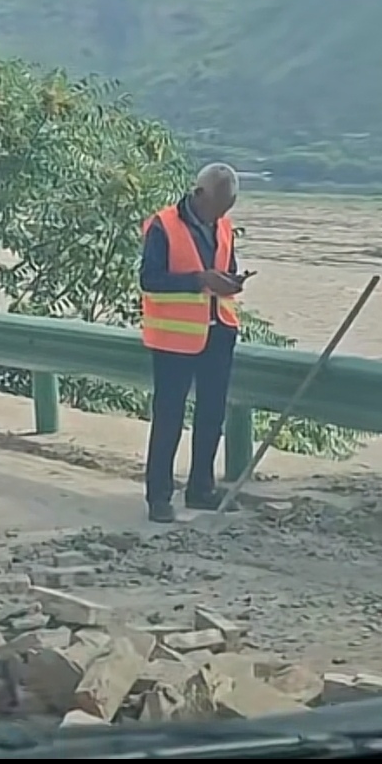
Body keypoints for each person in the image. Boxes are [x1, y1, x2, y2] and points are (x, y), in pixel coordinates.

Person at [138, 163, 250, 523]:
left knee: (211, 415)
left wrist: (231, 282)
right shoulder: (163, 225)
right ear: (198, 193)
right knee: (169, 416)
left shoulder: (225, 226)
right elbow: (150, 279)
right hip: (174, 337)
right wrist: (199, 279)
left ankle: (202, 488)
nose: (220, 216)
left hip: (218, 331)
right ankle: (159, 495)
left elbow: (225, 266)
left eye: (226, 210)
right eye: (217, 208)